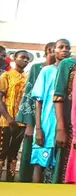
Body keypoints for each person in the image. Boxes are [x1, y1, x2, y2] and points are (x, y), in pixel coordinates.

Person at [31, 39, 71, 183]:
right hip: (47, 123)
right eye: (61, 47)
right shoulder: (47, 71)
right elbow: (38, 101)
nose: (65, 50)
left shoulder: (71, 72)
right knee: (39, 162)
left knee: (60, 164)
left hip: (66, 123)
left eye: (67, 47)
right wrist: (38, 128)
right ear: (54, 51)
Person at [16, 42, 56, 182]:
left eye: (54, 50)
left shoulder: (62, 69)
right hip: (36, 119)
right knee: (32, 154)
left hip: (52, 119)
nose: (52, 53)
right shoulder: (37, 68)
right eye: (50, 51)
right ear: (46, 52)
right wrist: (29, 124)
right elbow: (29, 96)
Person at [0, 50, 31, 182]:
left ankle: (10, 180)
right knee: (2, 151)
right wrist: (8, 118)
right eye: (22, 57)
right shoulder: (6, 75)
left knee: (14, 153)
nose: (25, 60)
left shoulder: (27, 78)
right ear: (15, 58)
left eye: (27, 59)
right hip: (7, 120)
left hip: (21, 122)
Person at [52, 51, 76, 183]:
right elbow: (58, 97)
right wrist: (61, 129)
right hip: (69, 122)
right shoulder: (68, 64)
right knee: (66, 166)